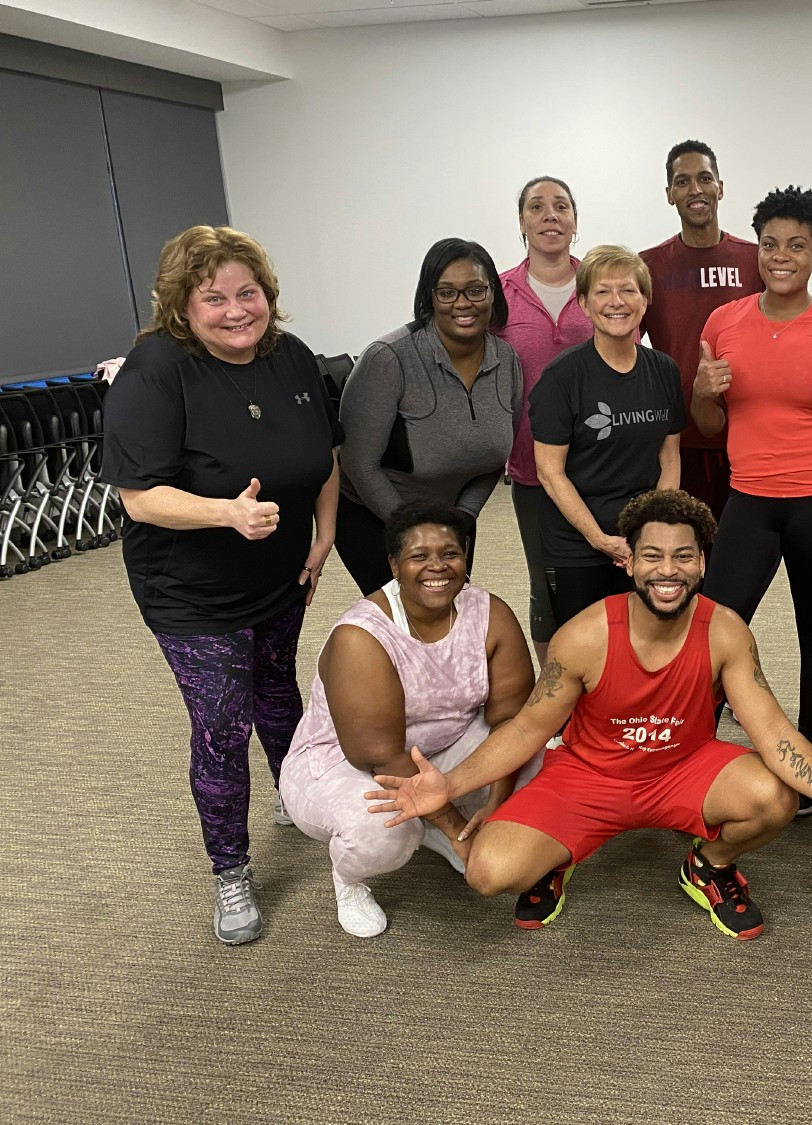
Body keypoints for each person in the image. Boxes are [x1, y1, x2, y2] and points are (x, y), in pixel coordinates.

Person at [366, 490, 812, 940]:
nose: (667, 570)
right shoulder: (584, 637)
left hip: (682, 768)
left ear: (702, 563)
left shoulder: (726, 631)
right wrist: (449, 786)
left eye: (682, 556)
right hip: (590, 776)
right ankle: (557, 857)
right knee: (488, 872)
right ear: (629, 562)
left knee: (775, 797)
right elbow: (527, 728)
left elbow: (773, 730)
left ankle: (708, 866)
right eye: (651, 556)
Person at [100, 225, 341, 945]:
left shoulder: (291, 357)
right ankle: (230, 869)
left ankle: (296, 795)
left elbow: (324, 455)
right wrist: (225, 513)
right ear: (183, 303)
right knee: (221, 723)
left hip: (281, 570)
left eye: (249, 292)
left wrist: (324, 532)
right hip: (191, 592)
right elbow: (138, 498)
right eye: (215, 298)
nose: (237, 310)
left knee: (277, 686)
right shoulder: (154, 372)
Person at [280, 503, 534, 937]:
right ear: (395, 565)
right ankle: (350, 880)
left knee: (540, 762)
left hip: (442, 744)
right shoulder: (360, 635)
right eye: (419, 556)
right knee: (384, 833)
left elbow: (513, 718)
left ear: (466, 558)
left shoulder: (490, 613)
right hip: (348, 763)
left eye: (450, 553)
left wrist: (496, 802)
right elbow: (379, 756)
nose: (437, 566)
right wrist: (459, 830)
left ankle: (433, 828)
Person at [694, 185, 812, 744]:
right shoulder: (723, 322)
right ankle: (695, 747)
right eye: (770, 243)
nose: (780, 256)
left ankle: (811, 750)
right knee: (715, 626)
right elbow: (707, 425)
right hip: (748, 498)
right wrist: (702, 393)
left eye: (797, 245)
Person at [335, 238, 522, 594]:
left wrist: (463, 518)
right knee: (401, 624)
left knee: (447, 612)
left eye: (476, 290)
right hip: (376, 516)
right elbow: (359, 465)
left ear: (493, 293)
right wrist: (416, 532)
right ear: (429, 297)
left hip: (452, 517)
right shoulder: (388, 359)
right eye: (447, 292)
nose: (463, 303)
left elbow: (495, 457)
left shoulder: (507, 361)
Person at [531, 245, 685, 626]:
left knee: (645, 644)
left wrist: (650, 532)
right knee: (585, 652)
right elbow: (550, 472)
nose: (616, 302)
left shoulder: (664, 370)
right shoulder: (562, 377)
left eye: (628, 290)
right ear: (583, 303)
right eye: (602, 291)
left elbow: (669, 457)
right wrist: (599, 538)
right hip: (577, 543)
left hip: (641, 540)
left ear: (645, 301)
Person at [640, 139, 764, 520]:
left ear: (720, 188)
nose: (695, 190)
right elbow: (622, 347)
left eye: (704, 178)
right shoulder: (649, 265)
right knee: (686, 556)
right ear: (669, 194)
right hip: (678, 440)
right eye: (682, 182)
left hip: (747, 433)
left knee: (740, 556)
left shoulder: (753, 259)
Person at [498, 176, 593, 666]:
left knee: (602, 574)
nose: (550, 215)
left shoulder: (601, 284)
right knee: (546, 583)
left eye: (561, 206)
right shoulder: (499, 293)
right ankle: (553, 693)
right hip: (532, 465)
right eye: (537, 207)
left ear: (575, 221)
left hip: (601, 463)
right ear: (522, 223)